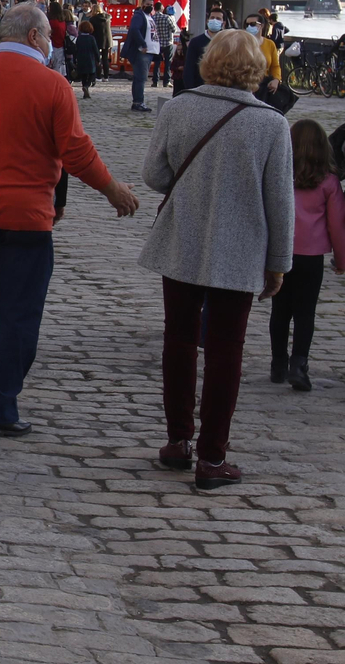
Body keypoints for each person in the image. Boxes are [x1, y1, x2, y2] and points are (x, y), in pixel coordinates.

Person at [0, 2, 140, 439]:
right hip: (25, 217)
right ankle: (0, 408)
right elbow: (75, 151)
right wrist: (112, 189)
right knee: (19, 313)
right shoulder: (53, 86)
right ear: (36, 37)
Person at [140, 30, 292, 489]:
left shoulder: (178, 107)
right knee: (226, 350)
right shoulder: (270, 124)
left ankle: (177, 441)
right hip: (241, 248)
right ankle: (212, 457)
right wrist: (279, 262)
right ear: (256, 69)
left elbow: (153, 174)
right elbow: (279, 203)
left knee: (179, 342)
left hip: (182, 239)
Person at [272, 119, 345, 392]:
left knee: (279, 311)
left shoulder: (280, 176)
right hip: (312, 256)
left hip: (281, 252)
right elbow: (337, 225)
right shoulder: (328, 182)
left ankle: (277, 363)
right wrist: (343, 258)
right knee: (305, 313)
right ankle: (299, 363)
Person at [182, 2, 229, 91]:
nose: (214, 20)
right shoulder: (196, 42)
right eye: (212, 18)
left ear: (224, 23)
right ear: (207, 20)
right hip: (199, 88)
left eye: (218, 18)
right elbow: (189, 67)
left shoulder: (227, 42)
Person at [124, 0, 156, 112]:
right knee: (140, 78)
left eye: (151, 5)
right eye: (147, 4)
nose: (149, 7)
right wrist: (142, 43)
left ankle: (138, 101)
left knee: (141, 78)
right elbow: (134, 29)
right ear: (142, 4)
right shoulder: (139, 16)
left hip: (148, 51)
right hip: (141, 52)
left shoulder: (149, 16)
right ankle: (138, 102)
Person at [243, 12, 284, 97]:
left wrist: (276, 80)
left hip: (264, 86)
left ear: (261, 26)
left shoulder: (270, 44)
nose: (249, 27)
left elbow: (275, 66)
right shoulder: (241, 43)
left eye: (253, 24)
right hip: (245, 84)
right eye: (247, 25)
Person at [151, 3, 176, 87]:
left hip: (157, 43)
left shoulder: (152, 18)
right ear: (162, 8)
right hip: (167, 43)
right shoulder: (167, 18)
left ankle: (155, 81)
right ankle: (166, 81)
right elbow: (173, 29)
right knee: (167, 63)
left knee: (157, 63)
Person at [75, 19, 100, 99]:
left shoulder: (79, 38)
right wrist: (98, 59)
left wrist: (75, 59)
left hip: (81, 58)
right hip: (90, 59)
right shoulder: (91, 38)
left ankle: (85, 90)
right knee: (92, 74)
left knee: (84, 76)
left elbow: (76, 49)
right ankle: (87, 86)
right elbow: (95, 50)